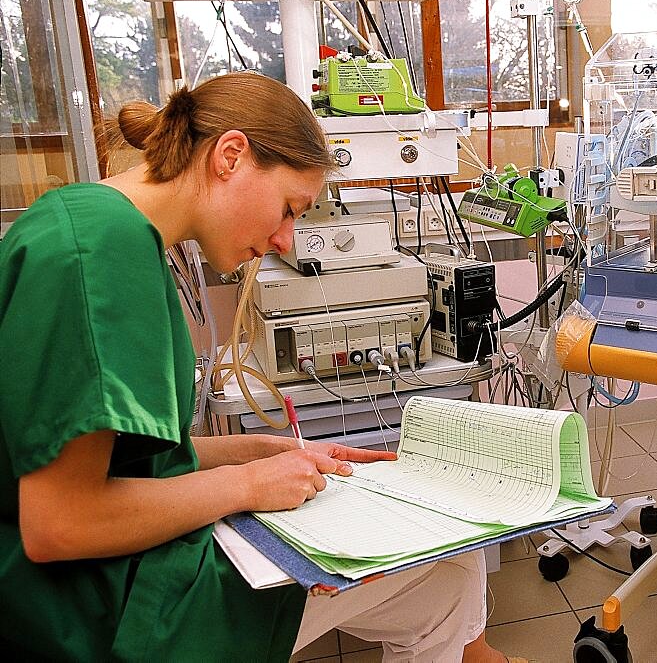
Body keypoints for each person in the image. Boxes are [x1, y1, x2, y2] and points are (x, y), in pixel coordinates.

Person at [0, 72, 520, 663]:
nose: (285, 239)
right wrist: (245, 486)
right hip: (102, 611)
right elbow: (59, 523)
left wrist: (258, 454)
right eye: (288, 208)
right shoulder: (97, 258)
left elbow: (118, 459)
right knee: (442, 570)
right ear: (230, 156)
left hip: (114, 576)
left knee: (445, 581)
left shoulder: (94, 222)